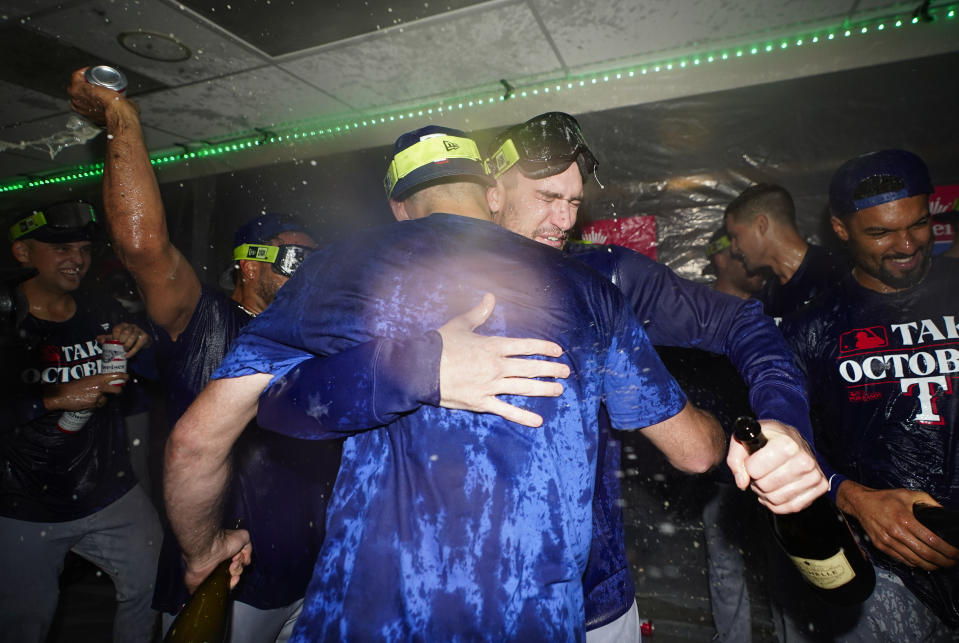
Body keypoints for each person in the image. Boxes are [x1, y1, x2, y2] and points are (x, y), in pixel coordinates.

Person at [168, 124, 730, 640]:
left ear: (399, 207)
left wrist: (204, 550)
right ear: (492, 195)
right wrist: (739, 432)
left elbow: (197, 439)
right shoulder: (591, 293)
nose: (563, 218)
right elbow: (697, 454)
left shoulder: (335, 269)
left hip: (368, 619)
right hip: (531, 623)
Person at [485, 113, 827, 641]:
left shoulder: (605, 277)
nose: (562, 218)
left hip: (593, 594)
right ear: (492, 192)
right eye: (546, 196)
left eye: (574, 202)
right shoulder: (424, 282)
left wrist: (783, 420)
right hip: (464, 596)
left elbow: (742, 322)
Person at [66, 67, 339, 642]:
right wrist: (122, 120)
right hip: (232, 576)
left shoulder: (316, 337)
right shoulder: (209, 321)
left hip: (317, 575)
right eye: (294, 261)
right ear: (251, 262)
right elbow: (145, 248)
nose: (307, 273)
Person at [780, 149, 959, 639]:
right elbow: (782, 447)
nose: (904, 245)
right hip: (883, 567)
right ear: (841, 230)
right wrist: (851, 497)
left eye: (917, 224)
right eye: (879, 232)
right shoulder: (811, 329)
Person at [0, 201, 160, 643]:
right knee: (23, 623)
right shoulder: (7, 322)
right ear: (22, 253)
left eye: (84, 249)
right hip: (23, 504)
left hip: (108, 491)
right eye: (62, 248)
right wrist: (51, 397)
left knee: (152, 589)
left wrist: (139, 341)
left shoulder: (98, 307)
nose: (78, 259)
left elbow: (148, 376)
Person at [724, 182, 847, 320]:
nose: (734, 249)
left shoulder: (838, 275)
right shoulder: (766, 301)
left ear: (761, 225)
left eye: (735, 236)